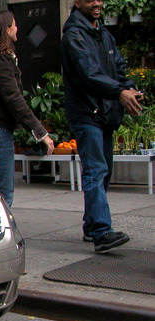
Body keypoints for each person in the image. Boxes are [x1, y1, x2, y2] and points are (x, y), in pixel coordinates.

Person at [61, 0, 143, 252]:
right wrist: (120, 91)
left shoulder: (103, 33)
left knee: (103, 170)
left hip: (104, 112)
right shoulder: (74, 36)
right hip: (87, 113)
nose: (97, 3)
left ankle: (91, 225)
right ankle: (100, 231)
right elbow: (88, 74)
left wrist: (129, 87)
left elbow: (118, 66)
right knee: (96, 170)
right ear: (77, 2)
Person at [0, 10, 54, 206]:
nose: (17, 28)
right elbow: (14, 99)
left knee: (0, 192)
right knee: (3, 195)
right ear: (6, 30)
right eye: (14, 24)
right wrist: (41, 133)